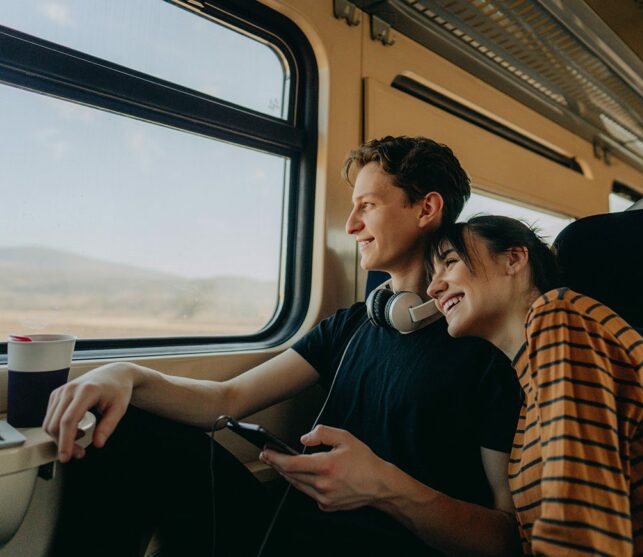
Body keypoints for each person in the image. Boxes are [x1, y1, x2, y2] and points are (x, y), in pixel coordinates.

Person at [44, 137, 522, 557]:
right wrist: (126, 374)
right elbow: (226, 400)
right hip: (291, 533)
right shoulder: (353, 325)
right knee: (131, 427)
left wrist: (384, 488)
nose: (352, 224)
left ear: (426, 209)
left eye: (368, 206)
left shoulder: (484, 348)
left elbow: (508, 537)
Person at [425, 215, 643, 556]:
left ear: (514, 259)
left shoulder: (559, 319)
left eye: (450, 262)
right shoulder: (530, 384)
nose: (433, 288)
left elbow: (580, 520)